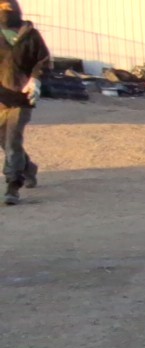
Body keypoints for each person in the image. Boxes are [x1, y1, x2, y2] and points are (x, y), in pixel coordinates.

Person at [0, 0, 48, 206]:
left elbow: (44, 60)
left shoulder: (31, 35)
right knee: (5, 141)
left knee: (12, 140)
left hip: (22, 97)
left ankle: (13, 184)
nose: (4, 13)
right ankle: (28, 168)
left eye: (7, 9)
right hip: (1, 97)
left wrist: (36, 78)